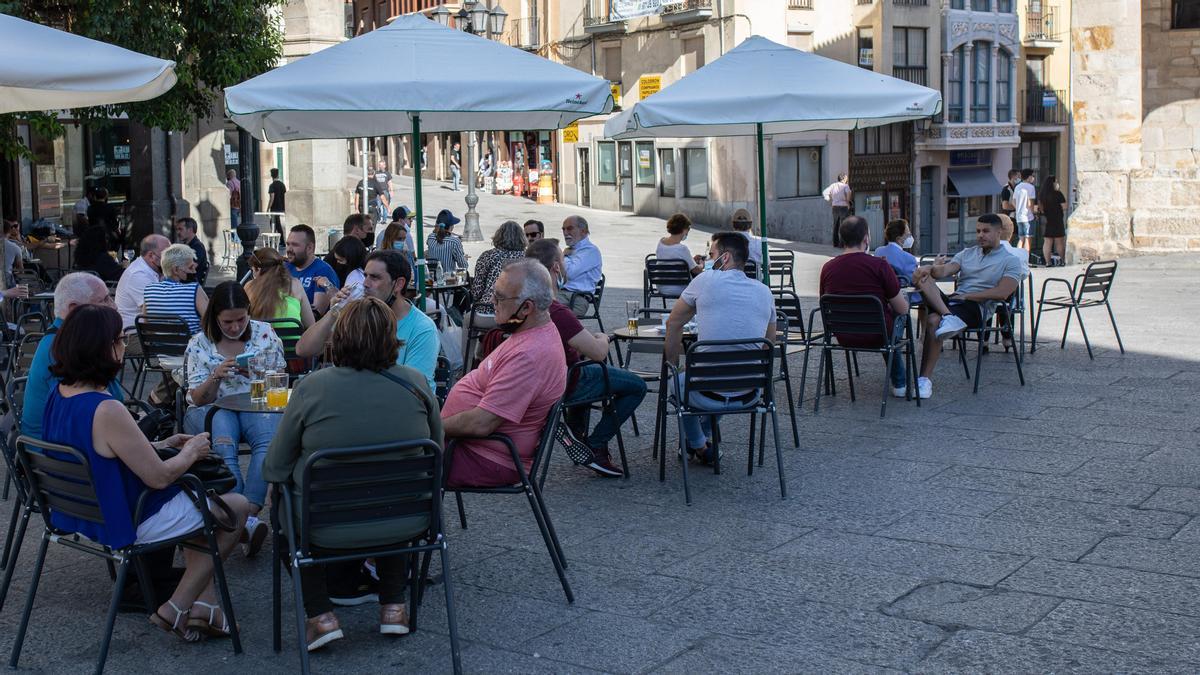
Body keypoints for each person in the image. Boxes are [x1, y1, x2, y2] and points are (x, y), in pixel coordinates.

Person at [42, 304, 250, 643]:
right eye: (120, 341)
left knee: (204, 506)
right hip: (128, 517)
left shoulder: (60, 394)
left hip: (83, 512)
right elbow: (160, 478)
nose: (124, 348)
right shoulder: (106, 407)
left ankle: (205, 606)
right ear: (102, 347)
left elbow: (102, 450)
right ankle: (176, 606)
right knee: (236, 506)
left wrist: (162, 442)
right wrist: (190, 450)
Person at [264, 297, 441, 650]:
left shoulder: (312, 387)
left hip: (325, 524)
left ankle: (321, 616)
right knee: (392, 486)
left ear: (339, 336)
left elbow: (275, 466)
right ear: (392, 338)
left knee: (280, 508)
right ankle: (394, 607)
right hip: (407, 519)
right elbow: (437, 452)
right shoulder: (417, 383)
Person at [527, 239, 646, 477]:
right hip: (569, 381)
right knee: (636, 386)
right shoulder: (556, 310)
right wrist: (603, 337)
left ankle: (577, 434)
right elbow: (599, 353)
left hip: (539, 382)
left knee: (585, 363)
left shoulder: (525, 305)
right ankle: (596, 444)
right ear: (556, 268)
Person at [441, 260, 566, 487]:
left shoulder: (528, 356)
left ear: (526, 308)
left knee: (396, 461)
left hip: (483, 456)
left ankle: (409, 520)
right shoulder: (533, 331)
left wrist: (432, 427)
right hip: (470, 446)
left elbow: (481, 424)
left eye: (499, 298)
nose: (492, 302)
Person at [182, 281, 286, 556]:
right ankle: (245, 519)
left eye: (241, 318)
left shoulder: (264, 333)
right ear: (215, 317)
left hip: (256, 404)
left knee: (267, 444)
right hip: (215, 406)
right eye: (227, 321)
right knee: (224, 444)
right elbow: (196, 398)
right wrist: (216, 376)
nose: (235, 326)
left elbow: (279, 381)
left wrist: (253, 374)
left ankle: (243, 515)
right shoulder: (199, 343)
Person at [664, 232, 776, 463]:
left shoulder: (705, 280)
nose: (707, 260)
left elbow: (673, 323)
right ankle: (703, 438)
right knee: (715, 376)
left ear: (724, 258)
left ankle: (698, 444)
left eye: (711, 255)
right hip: (750, 393)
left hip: (706, 392)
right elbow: (769, 346)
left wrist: (673, 367)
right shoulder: (765, 292)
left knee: (677, 384)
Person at [911, 213, 1023, 399]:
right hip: (955, 303)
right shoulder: (967, 253)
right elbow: (944, 271)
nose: (980, 235)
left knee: (932, 319)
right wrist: (930, 268)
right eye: (978, 231)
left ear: (999, 232)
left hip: (978, 307)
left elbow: (1003, 292)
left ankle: (924, 379)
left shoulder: (1011, 261)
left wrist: (969, 295)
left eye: (986, 231)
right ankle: (949, 317)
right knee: (924, 279)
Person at [297, 250, 439, 390]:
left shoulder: (422, 328)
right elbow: (304, 350)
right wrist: (333, 312)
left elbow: (412, 388)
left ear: (398, 284)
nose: (365, 283)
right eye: (365, 276)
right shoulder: (355, 316)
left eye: (375, 277)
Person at [22, 272, 121, 440]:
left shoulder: (69, 340)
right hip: (60, 453)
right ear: (75, 308)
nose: (114, 306)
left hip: (66, 444)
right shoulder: (64, 348)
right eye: (104, 300)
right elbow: (89, 414)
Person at [821, 216, 911, 397]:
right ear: (866, 239)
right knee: (897, 315)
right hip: (879, 336)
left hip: (844, 336)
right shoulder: (879, 265)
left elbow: (824, 304)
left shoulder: (827, 268)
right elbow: (903, 310)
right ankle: (900, 383)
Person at [142, 243, 209, 335]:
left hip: (158, 348)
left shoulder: (149, 291)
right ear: (176, 270)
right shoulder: (194, 290)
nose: (194, 271)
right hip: (191, 348)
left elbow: (147, 327)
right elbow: (211, 322)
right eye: (190, 267)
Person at [245, 247, 315, 328]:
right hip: (294, 340)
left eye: (253, 270)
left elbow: (243, 320)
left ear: (258, 269)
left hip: (264, 339)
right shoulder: (295, 284)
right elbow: (310, 324)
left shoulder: (250, 286)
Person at [470, 220, 527, 314]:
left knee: (467, 321)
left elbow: (477, 292)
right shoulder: (527, 259)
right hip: (516, 313)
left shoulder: (487, 256)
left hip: (488, 309)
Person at [115, 234, 170, 331]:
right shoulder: (138, 274)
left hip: (149, 330)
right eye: (167, 255)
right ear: (151, 256)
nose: (170, 260)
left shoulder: (153, 270)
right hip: (135, 334)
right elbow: (157, 311)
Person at [285, 224, 340, 316]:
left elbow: (316, 314)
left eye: (295, 245)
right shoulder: (285, 268)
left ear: (310, 248)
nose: (289, 249)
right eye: (288, 244)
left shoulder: (323, 271)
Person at [560, 215, 602, 313]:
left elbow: (569, 273)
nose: (565, 233)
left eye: (570, 228)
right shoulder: (570, 250)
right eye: (563, 229)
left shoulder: (590, 251)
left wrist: (563, 256)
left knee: (540, 308)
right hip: (563, 295)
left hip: (576, 299)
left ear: (583, 231)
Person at [655, 213, 703, 297]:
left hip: (661, 286)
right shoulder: (682, 249)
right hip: (680, 288)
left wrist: (691, 259)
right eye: (688, 229)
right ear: (684, 230)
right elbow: (696, 270)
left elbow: (670, 259)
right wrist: (702, 264)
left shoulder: (661, 243)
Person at [874, 218, 918, 287]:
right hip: (903, 294)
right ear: (899, 239)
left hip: (881, 294)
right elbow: (915, 282)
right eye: (908, 235)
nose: (910, 237)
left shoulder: (878, 251)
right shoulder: (909, 258)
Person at [425, 209, 467, 276]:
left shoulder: (430, 238)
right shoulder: (454, 242)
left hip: (431, 280)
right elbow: (463, 266)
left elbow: (438, 237)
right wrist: (464, 259)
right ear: (451, 226)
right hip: (448, 281)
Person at [1040, 175, 1067, 266]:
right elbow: (1064, 206)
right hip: (1057, 219)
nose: (1057, 183)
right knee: (1059, 241)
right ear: (1053, 183)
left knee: (1047, 242)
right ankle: (1063, 261)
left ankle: (1048, 262)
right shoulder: (1058, 194)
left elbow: (1039, 208)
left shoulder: (1042, 195)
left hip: (1047, 219)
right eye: (1056, 181)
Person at [174, 217, 209, 287]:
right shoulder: (185, 246)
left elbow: (188, 268)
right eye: (177, 229)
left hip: (189, 285)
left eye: (180, 229)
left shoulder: (198, 247)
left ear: (190, 230)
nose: (177, 232)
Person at [822, 173, 852, 247]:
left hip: (835, 207)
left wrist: (829, 200)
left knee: (835, 225)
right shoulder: (846, 186)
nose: (847, 179)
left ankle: (835, 243)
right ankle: (842, 244)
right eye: (846, 178)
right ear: (844, 178)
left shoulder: (833, 185)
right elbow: (848, 198)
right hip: (843, 207)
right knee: (843, 225)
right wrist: (848, 202)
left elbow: (824, 192)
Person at [1013, 168, 1037, 253]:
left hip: (1019, 217)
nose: (1033, 178)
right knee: (1028, 239)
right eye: (1033, 176)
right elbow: (1031, 204)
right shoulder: (1031, 187)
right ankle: (1026, 260)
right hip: (1028, 217)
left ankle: (1018, 258)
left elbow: (1014, 202)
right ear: (1029, 177)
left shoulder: (1017, 187)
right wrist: (1034, 213)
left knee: (1021, 239)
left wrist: (1018, 209)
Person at [3, 219, 26, 285]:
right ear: (9, 231)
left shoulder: (16, 244)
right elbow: (21, 271)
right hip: (7, 282)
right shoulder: (15, 247)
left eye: (15, 226)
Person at [267, 168, 286, 236]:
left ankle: (277, 239)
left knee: (273, 223)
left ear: (271, 176)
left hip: (275, 208)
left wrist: (268, 208)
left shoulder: (272, 186)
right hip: (282, 207)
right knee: (279, 224)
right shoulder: (282, 185)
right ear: (278, 175)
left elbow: (272, 197)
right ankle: (279, 240)